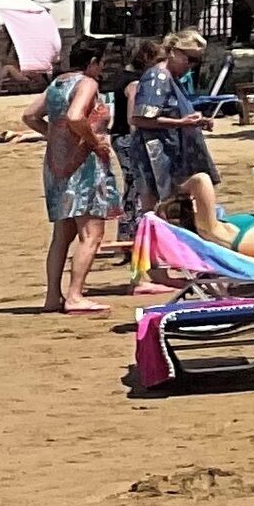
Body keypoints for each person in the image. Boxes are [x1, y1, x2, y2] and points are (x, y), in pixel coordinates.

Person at [39, 64, 123, 313]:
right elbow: (76, 116)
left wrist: (56, 137)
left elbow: (30, 115)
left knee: (62, 236)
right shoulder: (86, 83)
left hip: (57, 163)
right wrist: (95, 142)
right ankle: (75, 295)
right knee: (91, 234)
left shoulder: (56, 85)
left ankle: (53, 296)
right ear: (93, 61)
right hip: (84, 165)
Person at [131, 36, 224, 234]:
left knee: (175, 210)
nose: (191, 66)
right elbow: (140, 119)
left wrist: (195, 120)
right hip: (156, 155)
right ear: (174, 52)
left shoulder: (172, 78)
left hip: (173, 152)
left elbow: (171, 110)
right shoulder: (157, 77)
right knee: (160, 211)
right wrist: (181, 123)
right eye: (189, 59)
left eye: (196, 62)